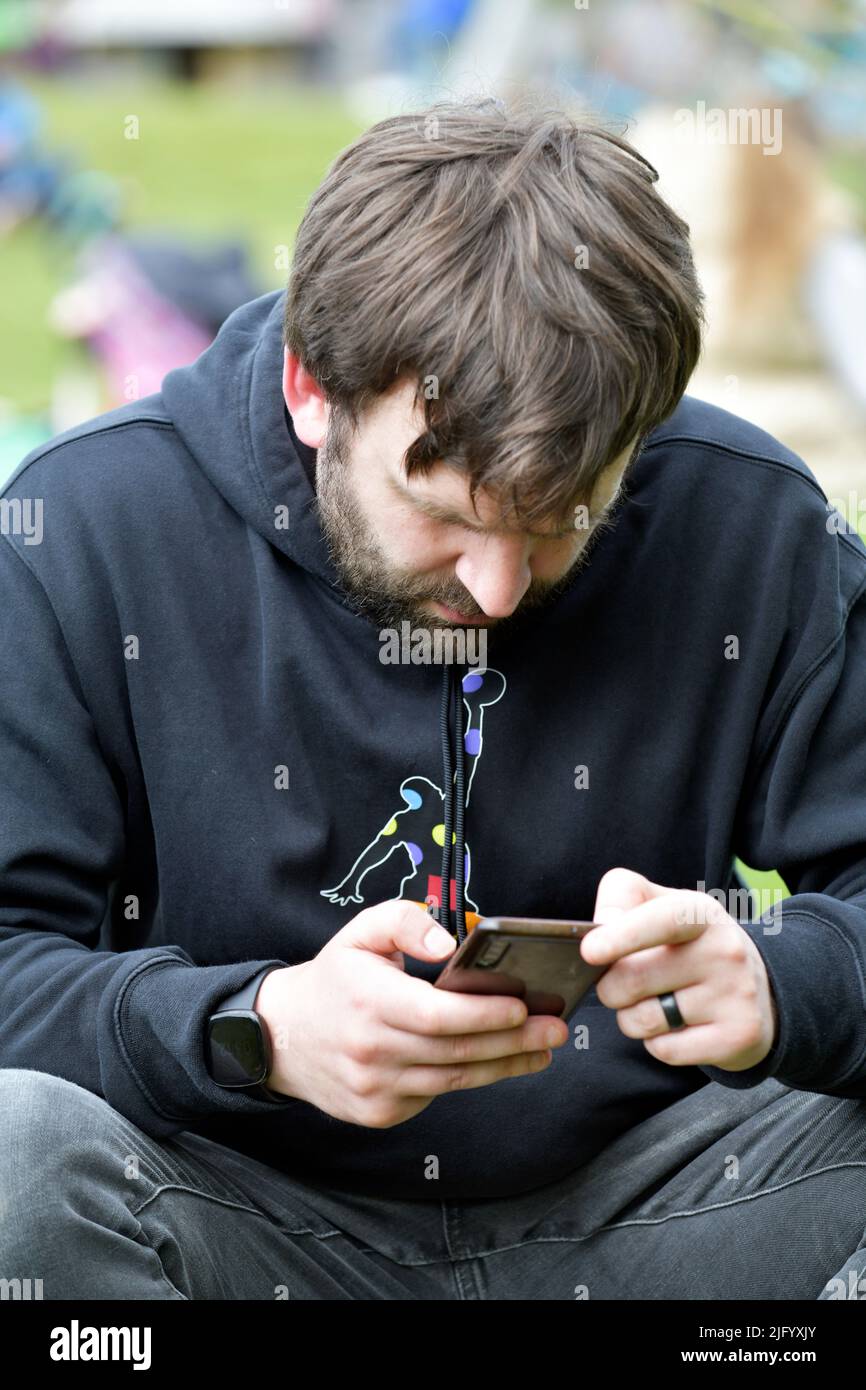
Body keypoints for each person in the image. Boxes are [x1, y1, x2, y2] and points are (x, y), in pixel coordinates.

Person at [1, 97, 865, 1302]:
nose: (498, 586)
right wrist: (252, 1031)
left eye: (566, 520)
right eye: (451, 517)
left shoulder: (751, 524)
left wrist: (788, 979)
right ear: (312, 388)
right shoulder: (78, 532)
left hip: (672, 1215)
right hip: (234, 1225)